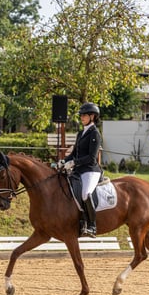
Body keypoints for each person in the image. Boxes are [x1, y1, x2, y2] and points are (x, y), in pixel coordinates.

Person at [59, 102, 102, 238]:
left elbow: (91, 157)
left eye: (84, 115)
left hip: (90, 170)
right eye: (81, 115)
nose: (82, 117)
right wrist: (63, 161)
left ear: (92, 116)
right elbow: (74, 153)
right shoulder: (80, 133)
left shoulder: (95, 133)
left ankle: (92, 226)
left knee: (86, 194)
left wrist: (73, 162)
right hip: (78, 170)